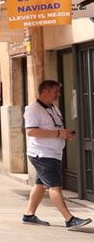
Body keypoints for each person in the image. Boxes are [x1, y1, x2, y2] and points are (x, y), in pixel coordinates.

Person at [22, 79, 92, 230]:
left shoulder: (53, 108)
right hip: (42, 154)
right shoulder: (33, 109)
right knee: (55, 187)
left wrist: (65, 134)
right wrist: (59, 133)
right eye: (56, 91)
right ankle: (69, 219)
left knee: (40, 185)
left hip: (54, 153)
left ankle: (29, 214)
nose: (58, 94)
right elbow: (31, 131)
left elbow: (53, 128)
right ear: (45, 91)